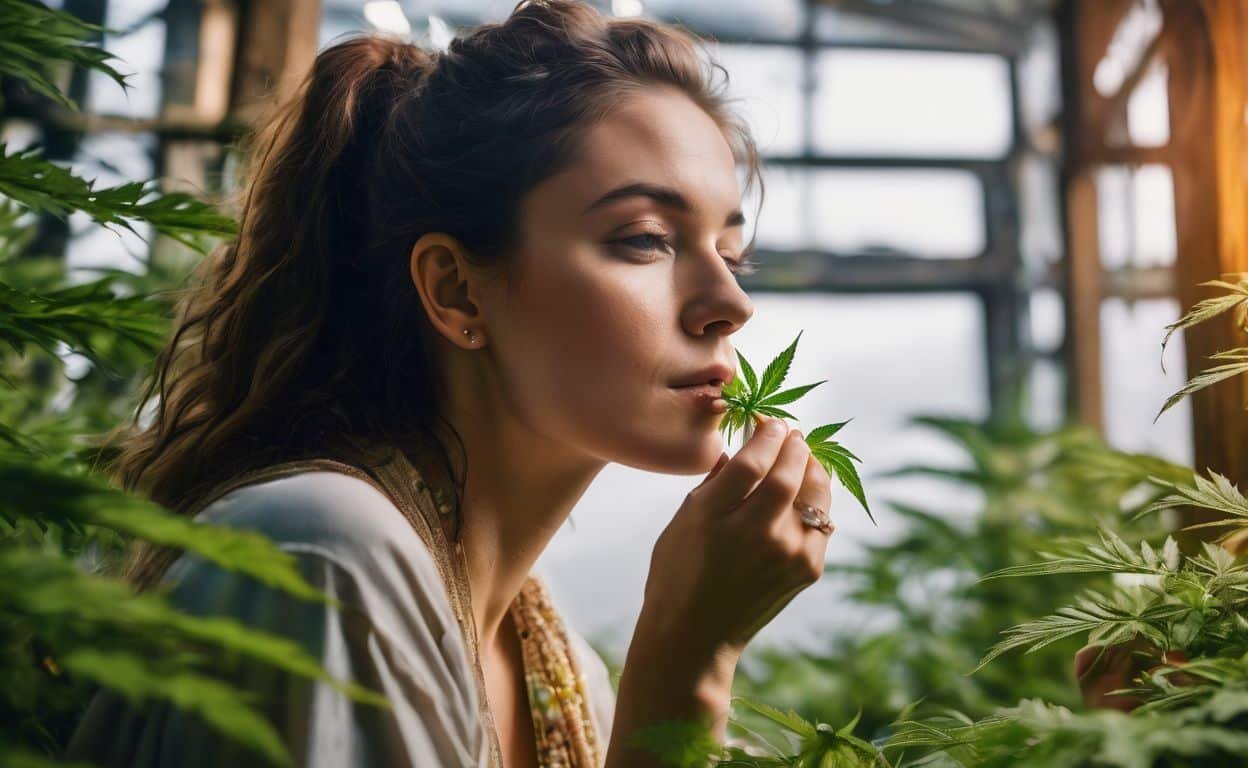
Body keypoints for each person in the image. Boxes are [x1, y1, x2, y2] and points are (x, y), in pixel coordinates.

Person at [66, 1, 836, 766]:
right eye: (645, 239)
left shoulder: (560, 666)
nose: (730, 305)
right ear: (458, 291)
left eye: (732, 255)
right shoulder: (322, 557)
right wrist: (688, 662)